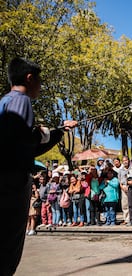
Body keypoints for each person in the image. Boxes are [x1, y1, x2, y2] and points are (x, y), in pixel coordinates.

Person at [0, 57, 77, 275]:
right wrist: (42, 135)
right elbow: (22, 147)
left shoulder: (5, 101)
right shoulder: (20, 101)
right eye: (39, 80)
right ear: (29, 78)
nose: (41, 86)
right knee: (7, 251)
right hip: (11, 184)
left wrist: (57, 131)